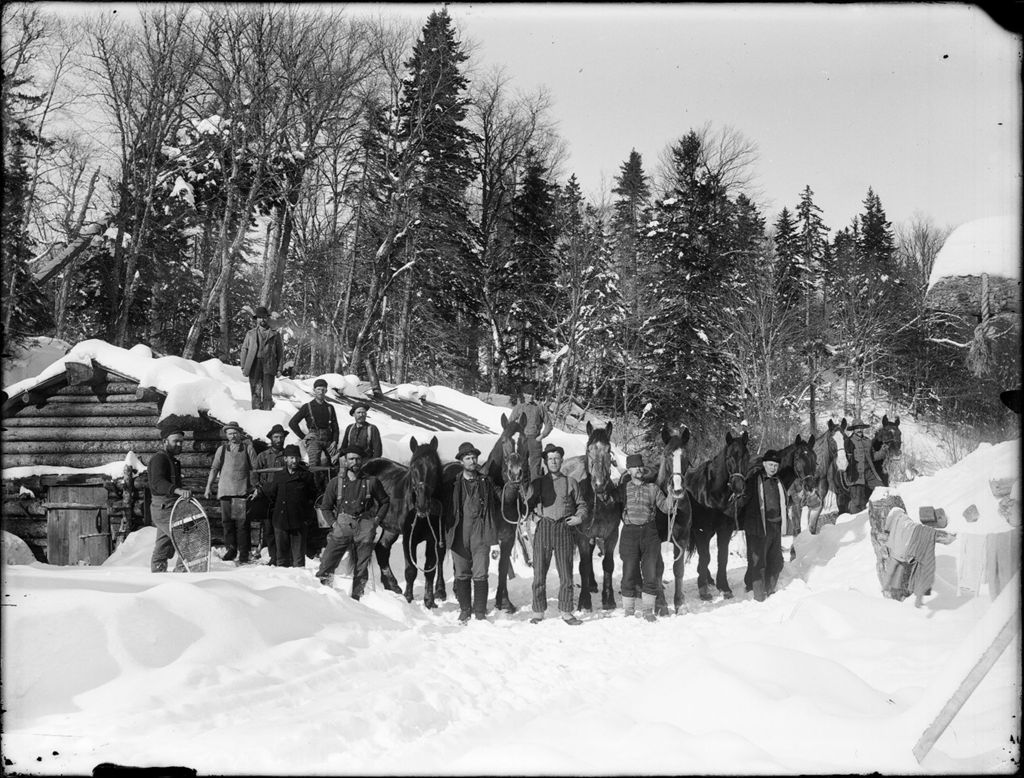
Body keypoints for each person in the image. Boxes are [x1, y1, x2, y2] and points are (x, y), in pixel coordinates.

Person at [315, 446, 391, 599]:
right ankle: (323, 595)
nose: (355, 462)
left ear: (362, 460)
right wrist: (334, 524)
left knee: (361, 568)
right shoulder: (335, 482)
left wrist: (376, 521)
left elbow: (385, 501)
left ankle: (357, 599)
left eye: (357, 459)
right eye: (351, 459)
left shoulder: (372, 482)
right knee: (327, 562)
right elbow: (325, 507)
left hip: (365, 525)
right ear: (345, 460)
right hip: (342, 525)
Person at [525, 443, 589, 625]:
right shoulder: (538, 483)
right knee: (539, 573)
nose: (553, 461)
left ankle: (566, 611)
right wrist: (533, 516)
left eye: (557, 458)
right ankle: (538, 611)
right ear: (545, 462)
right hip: (544, 529)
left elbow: (582, 504)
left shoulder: (571, 482)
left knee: (566, 574)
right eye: (550, 459)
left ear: (562, 461)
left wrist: (578, 517)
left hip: (564, 529)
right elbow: (527, 505)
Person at [447, 442, 500, 623]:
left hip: (481, 533)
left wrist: (514, 487)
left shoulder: (487, 482)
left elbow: (501, 499)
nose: (472, 461)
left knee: (481, 573)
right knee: (461, 573)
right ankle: (464, 610)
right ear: (461, 461)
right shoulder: (453, 484)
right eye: (468, 458)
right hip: (459, 533)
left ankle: (479, 611)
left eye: (474, 457)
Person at [617, 453, 674, 621]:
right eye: (635, 467)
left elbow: (665, 507)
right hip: (629, 533)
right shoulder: (622, 489)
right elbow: (609, 501)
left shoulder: (653, 488)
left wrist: (672, 495)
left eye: (641, 466)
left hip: (650, 533)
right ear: (629, 470)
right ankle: (628, 611)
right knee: (628, 572)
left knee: (650, 573)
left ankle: (648, 610)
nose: (639, 469)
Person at [204, 421, 258, 564]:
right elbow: (214, 469)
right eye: (229, 433)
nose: (233, 436)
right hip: (225, 491)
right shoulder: (221, 450)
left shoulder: (248, 449)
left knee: (241, 524)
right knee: (227, 523)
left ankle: (244, 553)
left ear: (240, 433)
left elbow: (255, 469)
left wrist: (255, 487)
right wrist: (208, 487)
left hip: (240, 492)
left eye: (235, 433)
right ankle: (231, 550)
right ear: (226, 435)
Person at [256, 444, 318, 568]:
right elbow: (271, 493)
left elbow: (313, 497)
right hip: (281, 520)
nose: (294, 461)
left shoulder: (306, 476)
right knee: (282, 558)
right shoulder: (279, 476)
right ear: (285, 459)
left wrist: (307, 517)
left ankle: (299, 583)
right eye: (291, 458)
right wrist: (258, 491)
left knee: (298, 559)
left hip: (298, 520)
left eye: (296, 458)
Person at [740, 449, 788, 602]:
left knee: (776, 560)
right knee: (758, 561)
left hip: (775, 525)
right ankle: (759, 596)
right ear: (764, 464)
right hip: (759, 527)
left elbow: (784, 502)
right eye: (770, 464)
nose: (773, 468)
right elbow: (744, 499)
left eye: (776, 465)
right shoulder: (754, 480)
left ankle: (770, 589)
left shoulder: (779, 482)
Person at [149, 428, 193, 573]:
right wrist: (178, 490)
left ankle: (158, 573)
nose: (179, 444)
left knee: (164, 543)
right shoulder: (159, 459)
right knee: (186, 537)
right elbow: (157, 482)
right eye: (175, 441)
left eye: (181, 442)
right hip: (163, 506)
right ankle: (182, 574)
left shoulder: (172, 460)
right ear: (164, 441)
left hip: (170, 506)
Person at [289, 378, 340, 489]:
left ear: (326, 391)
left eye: (323, 389)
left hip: (328, 440)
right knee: (313, 466)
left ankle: (332, 490)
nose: (321, 392)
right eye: (318, 389)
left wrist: (335, 441)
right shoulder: (307, 407)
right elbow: (292, 423)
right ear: (314, 390)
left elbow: (335, 427)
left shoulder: (330, 407)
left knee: (336, 463)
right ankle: (314, 491)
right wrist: (304, 436)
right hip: (314, 439)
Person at [252, 423, 288, 565]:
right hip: (267, 497)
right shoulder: (263, 456)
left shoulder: (287, 455)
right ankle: (273, 557)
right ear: (271, 438)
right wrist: (258, 488)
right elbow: (254, 475)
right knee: (269, 529)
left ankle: (283, 557)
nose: (279, 439)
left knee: (282, 528)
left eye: (281, 437)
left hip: (283, 496)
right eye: (276, 437)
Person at [239, 305, 284, 410]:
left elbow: (280, 353)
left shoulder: (275, 334)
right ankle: (256, 415)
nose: (262, 319)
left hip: (269, 366)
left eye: (264, 317)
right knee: (255, 392)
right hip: (254, 366)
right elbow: (244, 350)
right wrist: (243, 366)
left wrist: (279, 369)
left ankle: (267, 415)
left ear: (267, 318)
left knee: (267, 393)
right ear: (256, 319)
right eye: (260, 317)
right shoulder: (250, 334)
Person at [510, 383, 553, 480]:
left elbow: (549, 425)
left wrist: (541, 437)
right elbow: (510, 424)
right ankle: (521, 492)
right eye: (528, 394)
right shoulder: (519, 408)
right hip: (522, 441)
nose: (531, 396)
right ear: (524, 395)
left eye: (532, 394)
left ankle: (536, 493)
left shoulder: (539, 408)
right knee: (521, 467)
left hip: (535, 441)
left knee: (535, 469)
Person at [846, 418, 885, 513]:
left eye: (861, 428)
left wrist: (883, 451)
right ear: (853, 430)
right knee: (858, 502)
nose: (859, 430)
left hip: (869, 473)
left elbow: (873, 457)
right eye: (857, 428)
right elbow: (843, 459)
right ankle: (855, 523)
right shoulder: (848, 441)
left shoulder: (867, 441)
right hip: (856, 475)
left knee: (882, 491)